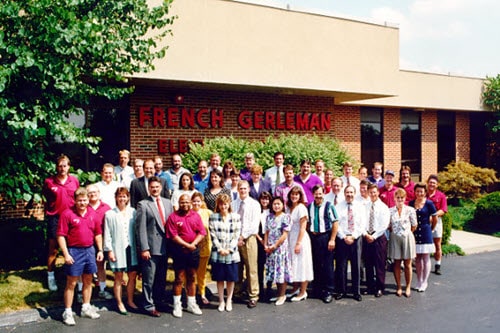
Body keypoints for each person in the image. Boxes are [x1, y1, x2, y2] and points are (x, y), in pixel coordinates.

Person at [57, 188, 103, 326]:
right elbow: (61, 236)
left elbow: (97, 234)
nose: (82, 203)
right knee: (71, 283)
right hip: (74, 251)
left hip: (89, 250)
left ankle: (86, 307)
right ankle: (68, 312)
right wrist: (66, 254)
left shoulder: (93, 214)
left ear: (88, 200)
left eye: (85, 200)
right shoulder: (67, 214)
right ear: (75, 201)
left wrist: (99, 250)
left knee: (88, 280)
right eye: (80, 201)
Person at [135, 176, 173, 317]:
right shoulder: (143, 204)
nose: (155, 189)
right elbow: (141, 229)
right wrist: (144, 248)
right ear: (148, 188)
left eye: (157, 187)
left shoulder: (168, 203)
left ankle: (159, 301)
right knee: (149, 279)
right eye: (152, 187)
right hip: (151, 248)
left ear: (161, 188)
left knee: (161, 278)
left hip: (165, 246)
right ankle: (148, 305)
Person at [42, 154, 80, 292]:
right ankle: (50, 277)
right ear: (56, 167)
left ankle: (72, 274)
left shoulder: (74, 181)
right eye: (60, 165)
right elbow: (46, 198)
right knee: (53, 249)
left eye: (65, 165)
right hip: (55, 218)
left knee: (73, 248)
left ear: (69, 166)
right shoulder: (49, 182)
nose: (62, 168)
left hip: (70, 218)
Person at [166, 194, 206, 318]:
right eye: (182, 202)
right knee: (179, 278)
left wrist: (193, 244)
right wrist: (186, 245)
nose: (185, 204)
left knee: (192, 277)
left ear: (191, 203)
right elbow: (173, 235)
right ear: (179, 203)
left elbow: (202, 232)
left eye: (187, 202)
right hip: (179, 251)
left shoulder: (196, 216)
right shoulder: (173, 217)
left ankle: (191, 303)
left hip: (193, 251)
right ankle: (177, 305)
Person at [103, 187, 139, 314]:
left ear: (128, 198)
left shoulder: (133, 212)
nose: (122, 199)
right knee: (118, 277)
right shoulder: (109, 214)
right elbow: (107, 234)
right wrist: (109, 251)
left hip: (132, 249)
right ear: (116, 198)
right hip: (118, 249)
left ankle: (130, 300)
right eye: (120, 196)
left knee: (132, 276)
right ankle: (119, 302)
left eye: (124, 196)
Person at [209, 194, 241, 312]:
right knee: (220, 278)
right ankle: (221, 301)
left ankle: (229, 300)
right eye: (221, 204)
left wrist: (229, 249)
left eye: (226, 204)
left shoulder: (235, 217)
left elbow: (236, 235)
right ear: (218, 205)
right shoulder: (213, 217)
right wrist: (220, 249)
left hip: (231, 253)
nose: (223, 206)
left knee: (230, 278)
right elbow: (213, 235)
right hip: (218, 253)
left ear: (229, 204)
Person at [232, 180, 262, 308]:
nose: (243, 191)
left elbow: (254, 225)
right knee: (237, 267)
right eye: (240, 188)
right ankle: (237, 292)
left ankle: (253, 295)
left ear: (249, 189)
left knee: (251, 268)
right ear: (237, 190)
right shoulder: (233, 204)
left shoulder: (255, 204)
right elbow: (231, 221)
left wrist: (242, 236)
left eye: (245, 188)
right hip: (235, 238)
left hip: (249, 238)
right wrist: (236, 237)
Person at [335, 185, 366, 302]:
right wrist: (344, 237)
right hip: (342, 239)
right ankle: (341, 291)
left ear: (355, 193)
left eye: (351, 192)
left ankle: (356, 291)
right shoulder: (338, 207)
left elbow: (362, 224)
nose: (349, 195)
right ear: (344, 194)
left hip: (356, 238)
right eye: (347, 192)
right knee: (341, 266)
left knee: (356, 265)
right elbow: (336, 224)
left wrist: (353, 236)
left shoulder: (360, 207)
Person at [307, 185, 338, 303]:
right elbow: (308, 223)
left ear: (323, 193)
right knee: (316, 263)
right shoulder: (309, 206)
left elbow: (335, 223)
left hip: (325, 237)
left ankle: (329, 290)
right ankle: (317, 288)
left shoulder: (329, 206)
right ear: (313, 194)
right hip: (314, 238)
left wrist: (332, 239)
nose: (318, 196)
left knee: (327, 265)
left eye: (320, 194)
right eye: (316, 194)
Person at [362, 184, 390, 297]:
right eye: (371, 192)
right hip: (367, 238)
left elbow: (384, 225)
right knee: (368, 264)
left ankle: (380, 287)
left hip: (379, 239)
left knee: (379, 264)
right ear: (368, 193)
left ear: (378, 192)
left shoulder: (383, 207)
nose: (373, 194)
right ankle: (370, 287)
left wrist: (374, 236)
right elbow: (362, 222)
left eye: (374, 192)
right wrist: (365, 234)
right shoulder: (365, 206)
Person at [388, 188, 417, 298]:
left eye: (402, 198)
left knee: (407, 263)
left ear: (405, 199)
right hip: (395, 237)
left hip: (407, 237)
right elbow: (389, 225)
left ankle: (408, 286)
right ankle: (399, 286)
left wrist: (406, 233)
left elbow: (414, 225)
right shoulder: (390, 211)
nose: (400, 200)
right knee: (396, 263)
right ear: (394, 198)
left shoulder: (410, 210)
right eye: (398, 198)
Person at [286, 186, 313, 302]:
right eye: (292, 194)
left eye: (296, 195)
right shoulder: (289, 208)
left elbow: (303, 227)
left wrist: (298, 243)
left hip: (300, 239)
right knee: (294, 265)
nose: (294, 196)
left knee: (302, 265)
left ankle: (303, 291)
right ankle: (295, 288)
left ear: (300, 196)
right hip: (291, 238)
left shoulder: (302, 208)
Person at [264, 196, 292, 306]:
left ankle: (282, 295)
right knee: (274, 272)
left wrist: (275, 245)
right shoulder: (269, 217)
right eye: (274, 204)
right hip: (270, 249)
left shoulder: (286, 217)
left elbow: (285, 234)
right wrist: (266, 245)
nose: (276, 206)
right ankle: (278, 294)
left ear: (282, 205)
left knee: (281, 272)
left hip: (280, 248)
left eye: (278, 204)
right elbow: (266, 232)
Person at [86, 184, 112, 301]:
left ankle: (102, 289)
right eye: (90, 192)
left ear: (99, 193)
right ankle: (82, 291)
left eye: (95, 192)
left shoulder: (106, 208)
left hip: (101, 241)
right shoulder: (83, 207)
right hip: (87, 242)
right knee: (85, 267)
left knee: (100, 266)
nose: (92, 194)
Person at [409, 183, 437, 292]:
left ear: (425, 192)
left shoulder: (429, 203)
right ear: (414, 192)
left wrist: (431, 229)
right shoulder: (411, 203)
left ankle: (425, 281)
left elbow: (435, 218)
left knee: (425, 257)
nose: (419, 193)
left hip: (426, 232)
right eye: (417, 191)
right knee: (417, 258)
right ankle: (419, 280)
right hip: (415, 232)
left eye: (421, 191)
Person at [191, 192, 213, 305]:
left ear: (202, 202)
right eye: (194, 201)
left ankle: (202, 293)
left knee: (202, 272)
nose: (196, 203)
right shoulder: (188, 213)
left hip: (205, 246)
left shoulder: (208, 213)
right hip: (192, 247)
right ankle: (191, 294)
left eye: (198, 201)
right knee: (190, 272)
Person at [426, 174, 448, 275]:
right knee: (424, 244)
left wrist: (433, 216)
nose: (432, 184)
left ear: (437, 185)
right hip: (425, 222)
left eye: (434, 183)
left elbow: (443, 210)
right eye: (430, 182)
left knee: (437, 244)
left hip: (437, 221)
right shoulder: (423, 194)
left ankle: (437, 265)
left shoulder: (441, 196)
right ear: (427, 183)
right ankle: (425, 265)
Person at [256, 191, 272, 298]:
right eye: (262, 198)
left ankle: (270, 287)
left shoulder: (273, 212)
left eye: (266, 199)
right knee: (260, 265)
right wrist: (261, 241)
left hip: (271, 241)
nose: (264, 201)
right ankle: (260, 288)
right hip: (259, 240)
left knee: (270, 265)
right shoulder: (257, 211)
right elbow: (254, 227)